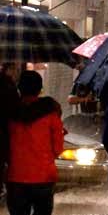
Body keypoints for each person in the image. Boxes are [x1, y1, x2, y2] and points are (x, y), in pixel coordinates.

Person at [6, 71, 64, 215]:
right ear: (40, 89)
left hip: (16, 177)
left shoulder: (9, 113)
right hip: (44, 177)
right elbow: (58, 148)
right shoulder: (51, 113)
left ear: (19, 88)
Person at [0, 64, 19, 201]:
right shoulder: (9, 86)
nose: (16, 72)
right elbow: (15, 109)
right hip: (6, 131)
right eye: (14, 69)